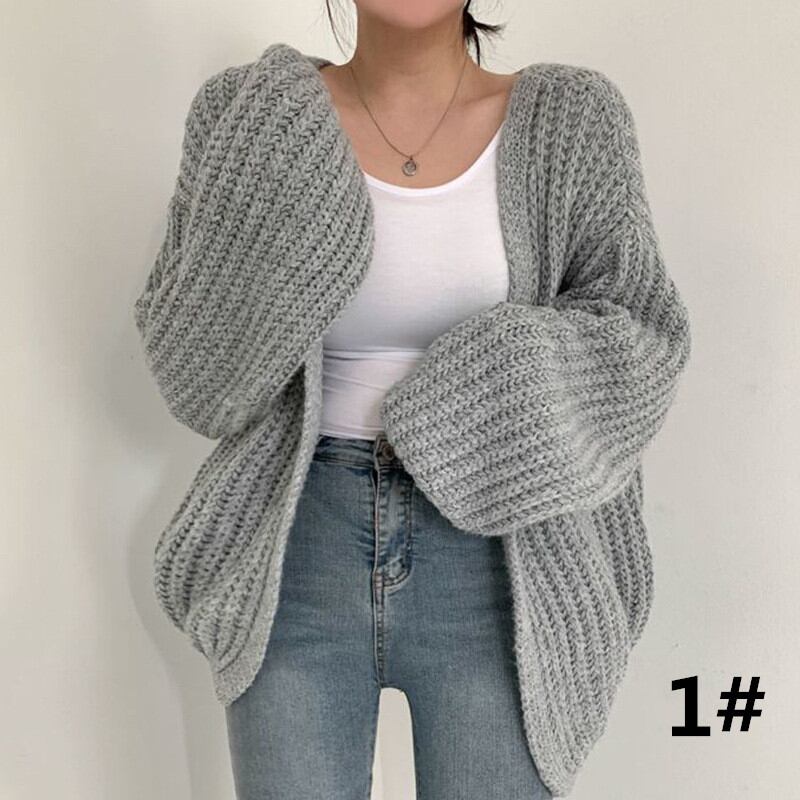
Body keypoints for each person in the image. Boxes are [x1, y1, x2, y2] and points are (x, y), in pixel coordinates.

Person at [133, 1, 692, 798]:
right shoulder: (249, 116)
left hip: (504, 561)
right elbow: (195, 377)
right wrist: (277, 172)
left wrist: (476, 403)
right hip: (297, 551)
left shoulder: (573, 119)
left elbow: (642, 334)